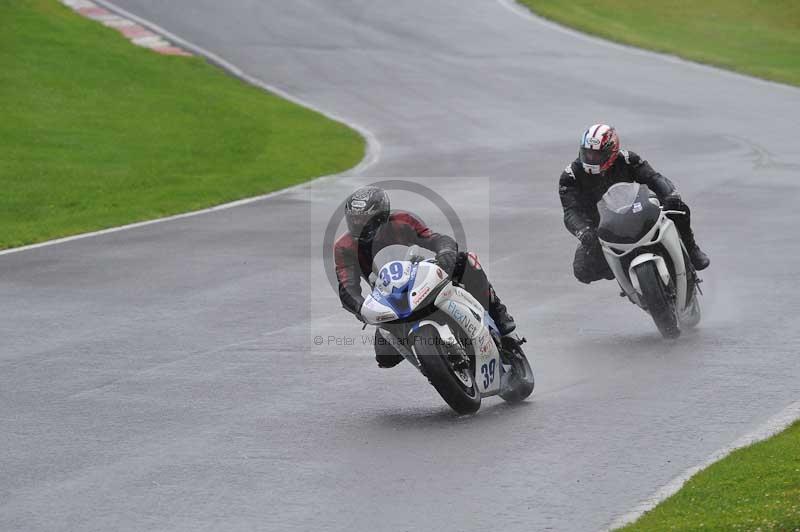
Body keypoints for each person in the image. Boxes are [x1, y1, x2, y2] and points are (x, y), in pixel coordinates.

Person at [334, 185, 515, 368]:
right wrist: (360, 308)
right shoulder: (344, 246)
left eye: (364, 221)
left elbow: (434, 238)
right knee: (385, 358)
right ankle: (432, 366)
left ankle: (499, 314)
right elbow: (346, 285)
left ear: (382, 216)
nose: (358, 225)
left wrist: (445, 251)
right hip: (388, 297)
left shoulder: (401, 221)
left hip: (420, 277)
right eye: (354, 220)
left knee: (466, 261)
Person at [559, 124, 710, 284]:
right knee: (582, 270)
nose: (590, 158)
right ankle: (623, 273)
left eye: (596, 154)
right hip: (602, 229)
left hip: (638, 212)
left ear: (611, 151)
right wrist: (584, 232)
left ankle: (692, 249)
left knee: (679, 208)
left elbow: (654, 178)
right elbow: (570, 212)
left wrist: (670, 195)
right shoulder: (571, 176)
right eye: (587, 153)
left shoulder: (627, 159)